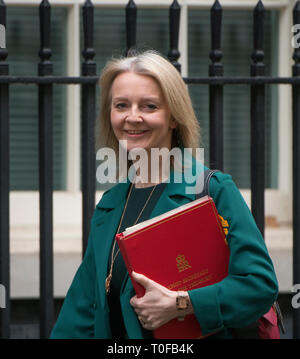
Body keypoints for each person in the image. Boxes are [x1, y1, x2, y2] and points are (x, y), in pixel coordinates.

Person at [50, 50, 278, 339]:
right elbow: (82, 310)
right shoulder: (110, 205)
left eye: (149, 106)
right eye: (121, 105)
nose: (132, 117)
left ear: (173, 117)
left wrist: (182, 304)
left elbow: (259, 285)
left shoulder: (212, 190)